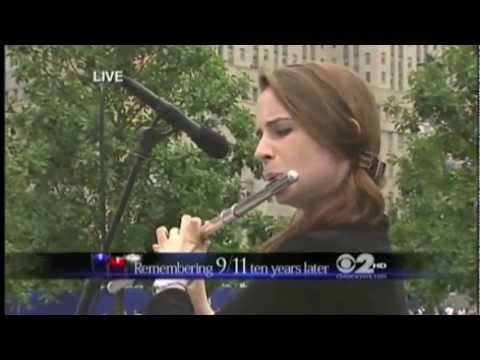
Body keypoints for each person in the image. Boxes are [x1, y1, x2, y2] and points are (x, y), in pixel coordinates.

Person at [145, 63, 408, 315]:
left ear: (345, 137)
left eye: (282, 131)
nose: (260, 151)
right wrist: (195, 294)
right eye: (261, 135)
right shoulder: (361, 240)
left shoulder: (317, 252)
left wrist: (169, 281)